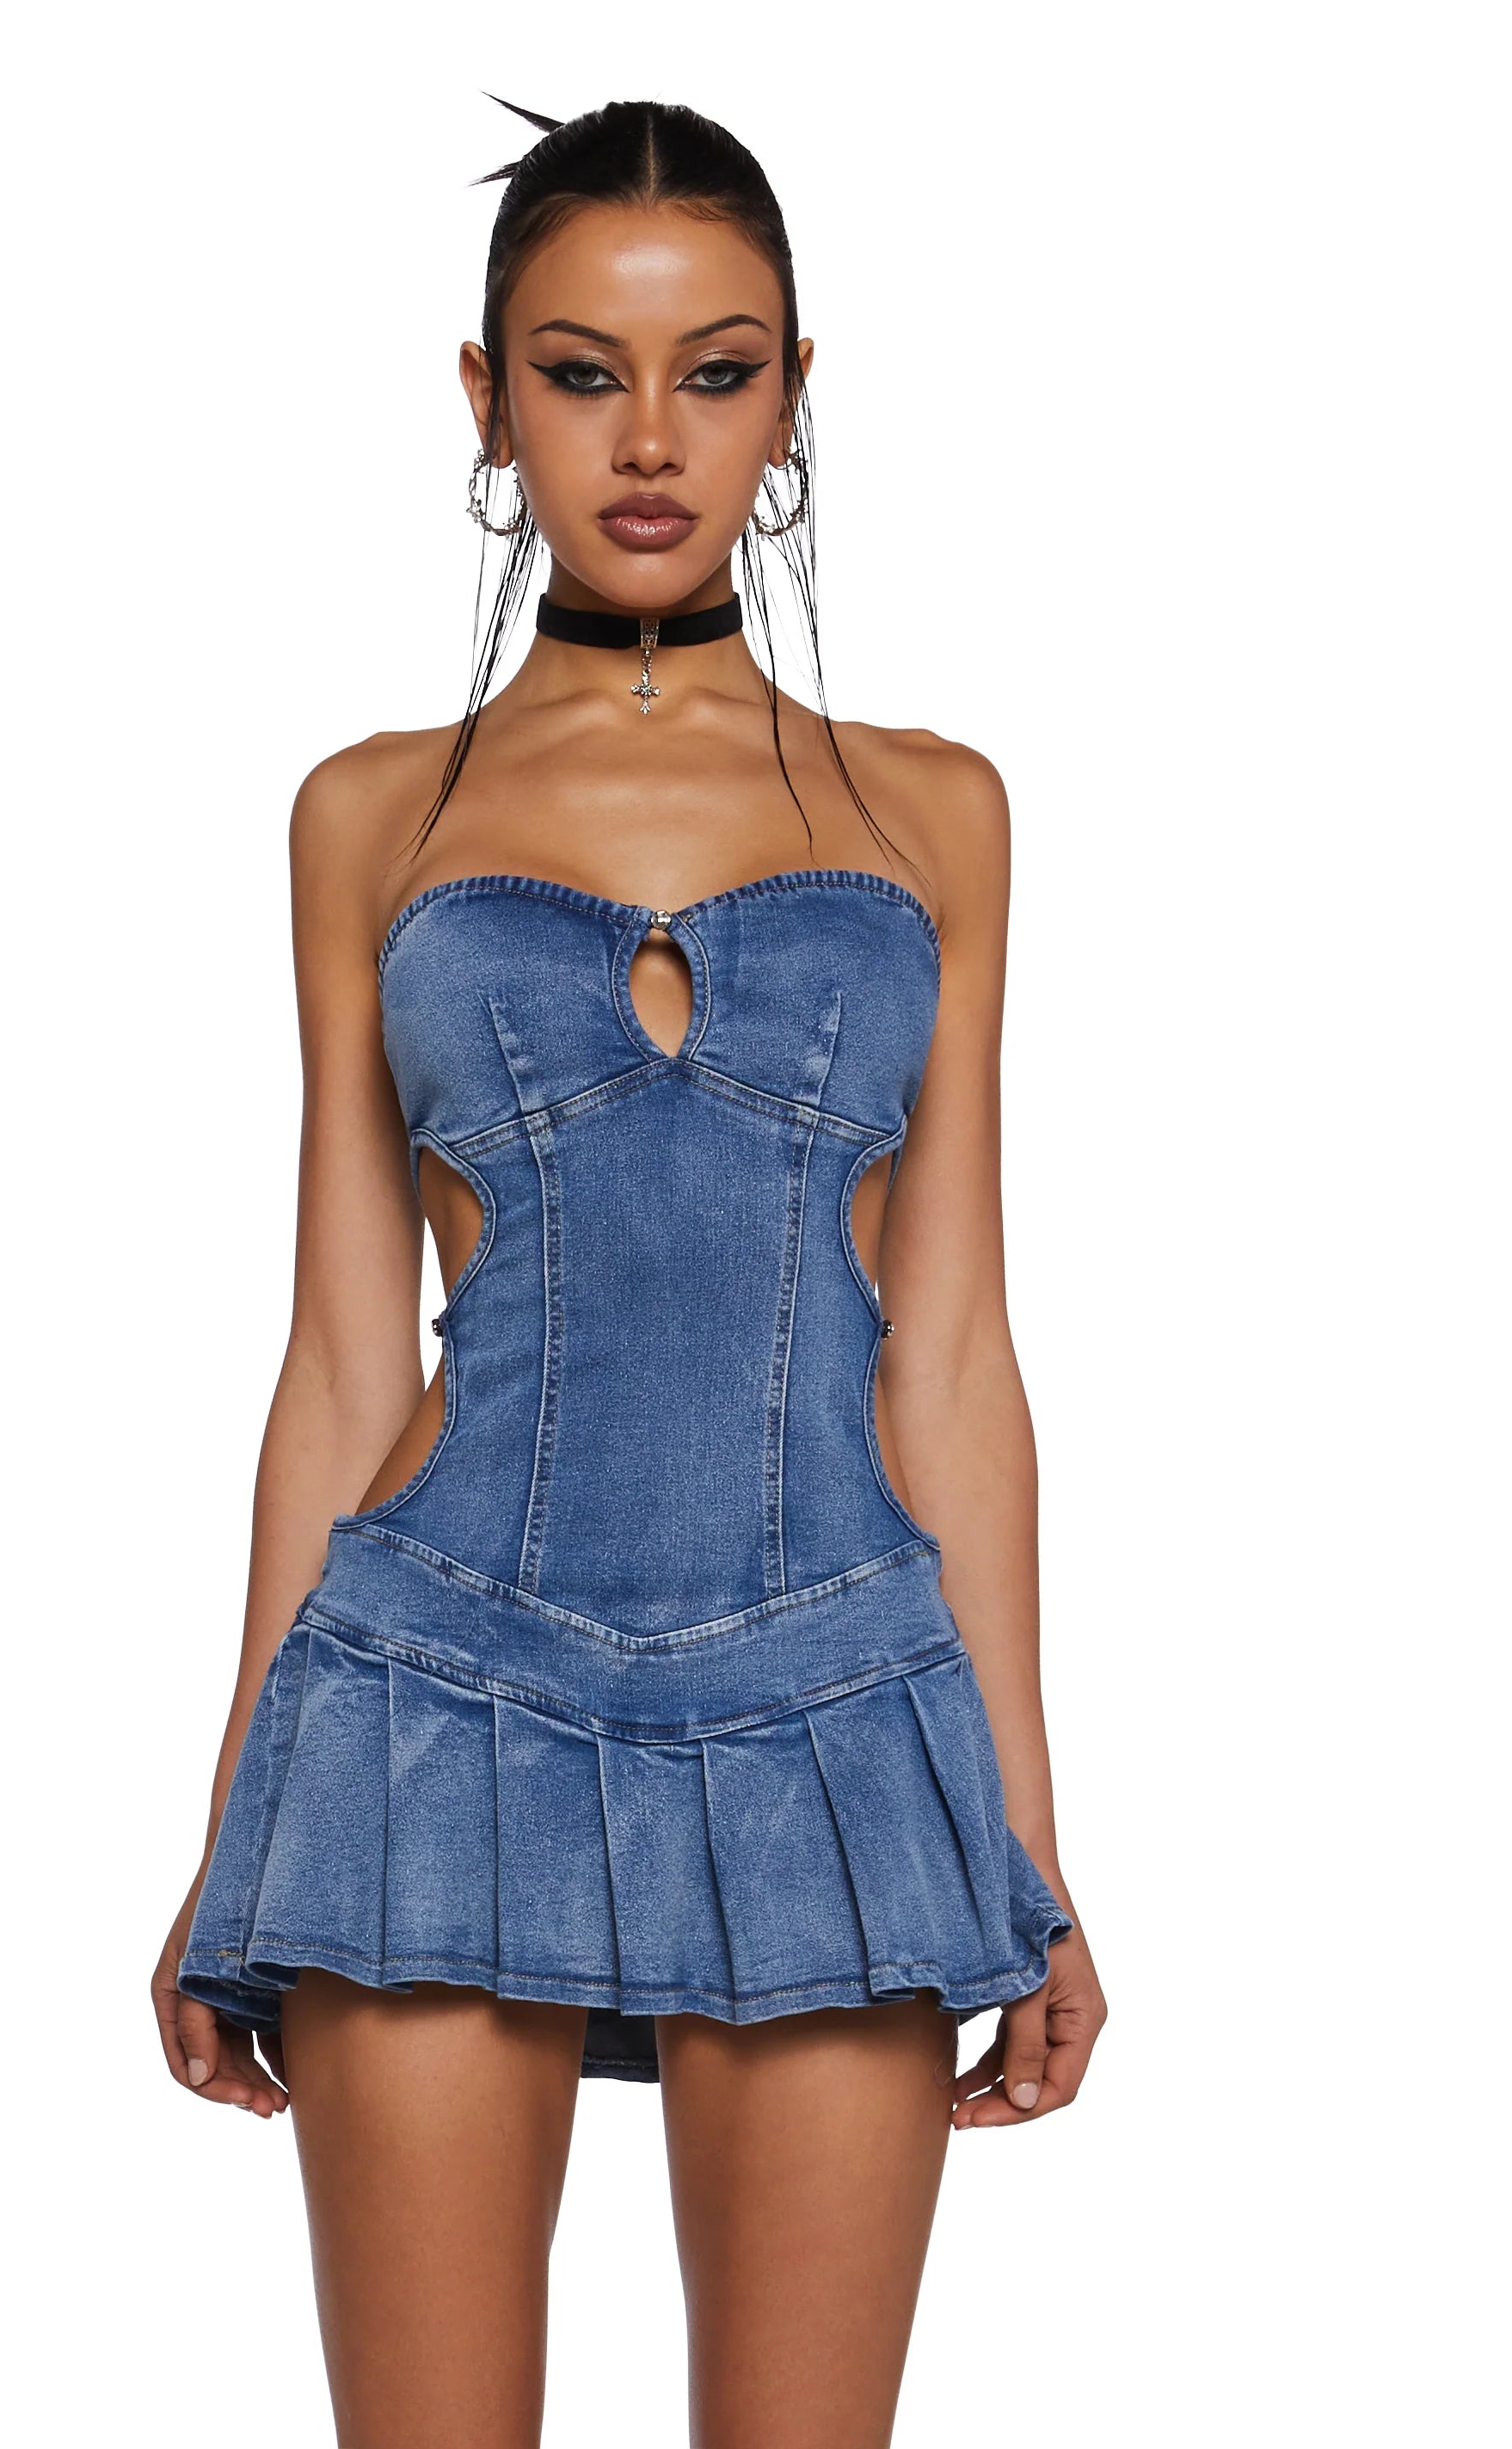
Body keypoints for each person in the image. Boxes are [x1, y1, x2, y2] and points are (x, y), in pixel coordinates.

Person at [151, 95, 1107, 2449]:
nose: (653, 440)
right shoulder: (371, 813)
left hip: (835, 1708)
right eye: (583, 374)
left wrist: (1026, 1834)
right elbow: (341, 1355)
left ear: (796, 396)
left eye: (718, 372)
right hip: (428, 1709)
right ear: (488, 402)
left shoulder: (934, 810)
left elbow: (954, 1356)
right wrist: (232, 1823)